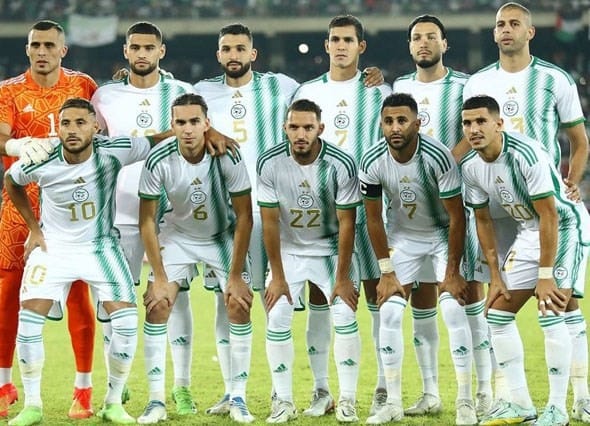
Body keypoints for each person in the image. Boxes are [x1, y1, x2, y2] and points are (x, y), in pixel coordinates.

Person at [3, 97, 171, 425]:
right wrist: (34, 228)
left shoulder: (114, 151)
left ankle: (113, 402)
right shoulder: (44, 157)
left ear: (95, 127)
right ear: (58, 127)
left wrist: (205, 133)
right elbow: (12, 179)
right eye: (65, 123)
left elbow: (157, 139)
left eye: (80, 123)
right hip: (54, 247)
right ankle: (32, 405)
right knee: (29, 320)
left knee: (125, 321)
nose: (72, 130)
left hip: (100, 247)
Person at [462, 3, 590, 420]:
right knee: (499, 312)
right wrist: (496, 276)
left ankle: (562, 406)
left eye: (514, 23)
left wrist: (571, 180)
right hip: (520, 219)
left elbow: (578, 141)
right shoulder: (479, 88)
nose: (506, 29)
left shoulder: (554, 81)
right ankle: (521, 399)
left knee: (555, 306)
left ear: (530, 32)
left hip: (558, 218)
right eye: (500, 24)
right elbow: (481, 218)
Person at [90, 21, 198, 416]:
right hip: (115, 215)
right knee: (111, 301)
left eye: (149, 47)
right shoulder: (105, 95)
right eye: (135, 47)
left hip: (168, 216)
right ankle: (115, 384)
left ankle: (181, 386)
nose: (141, 54)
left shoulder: (180, 92)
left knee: (173, 299)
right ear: (125, 51)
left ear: (161, 51)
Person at [291, 15, 391, 416]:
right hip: (320, 213)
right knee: (322, 297)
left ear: (360, 47)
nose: (341, 46)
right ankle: (322, 390)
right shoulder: (307, 91)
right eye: (335, 39)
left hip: (370, 209)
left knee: (377, 298)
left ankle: (384, 386)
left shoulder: (379, 91)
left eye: (348, 40)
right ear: (326, 45)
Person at [392, 15, 492, 418]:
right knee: (423, 302)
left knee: (469, 296)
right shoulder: (400, 86)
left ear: (445, 44)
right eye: (417, 37)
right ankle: (430, 392)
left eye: (431, 37)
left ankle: (483, 391)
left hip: (460, 203)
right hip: (415, 211)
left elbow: (473, 131)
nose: (423, 43)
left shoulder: (465, 85)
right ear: (409, 45)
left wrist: (443, 163)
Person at [359, 93, 476, 426]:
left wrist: (452, 272)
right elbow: (373, 219)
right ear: (381, 125)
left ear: (417, 123)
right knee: (389, 313)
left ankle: (465, 400)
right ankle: (393, 403)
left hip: (441, 235)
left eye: (402, 120)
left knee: (452, 309)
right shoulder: (372, 160)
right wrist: (386, 272)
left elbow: (457, 217)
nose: (395, 127)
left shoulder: (438, 157)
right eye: (388, 121)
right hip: (403, 239)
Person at [0, 20, 97, 420]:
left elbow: (103, 130)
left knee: (78, 293)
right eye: (35, 45)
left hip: (71, 207)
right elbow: (0, 136)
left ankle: (83, 390)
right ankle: (4, 385)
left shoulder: (83, 86)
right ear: (27, 49)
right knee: (7, 294)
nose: (42, 51)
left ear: (63, 50)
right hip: (19, 205)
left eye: (49, 45)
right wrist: (16, 143)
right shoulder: (8, 91)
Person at [138, 93, 255, 424]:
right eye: (180, 122)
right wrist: (160, 277)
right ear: (172, 125)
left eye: (194, 122)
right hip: (178, 236)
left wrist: (235, 276)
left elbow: (244, 216)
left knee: (238, 303)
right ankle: (156, 401)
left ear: (207, 124)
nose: (187, 129)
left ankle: (237, 397)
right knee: (157, 304)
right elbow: (147, 220)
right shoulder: (158, 158)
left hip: (221, 236)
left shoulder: (227, 155)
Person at [258, 98, 362, 423]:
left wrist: (343, 278)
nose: (300, 134)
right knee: (277, 315)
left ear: (321, 128)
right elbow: (270, 222)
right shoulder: (270, 162)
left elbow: (348, 223)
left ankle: (345, 398)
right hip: (289, 251)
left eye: (307, 127)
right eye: (294, 127)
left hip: (330, 250)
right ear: (285, 128)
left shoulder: (341, 163)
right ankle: (283, 401)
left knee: (343, 314)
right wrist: (277, 277)